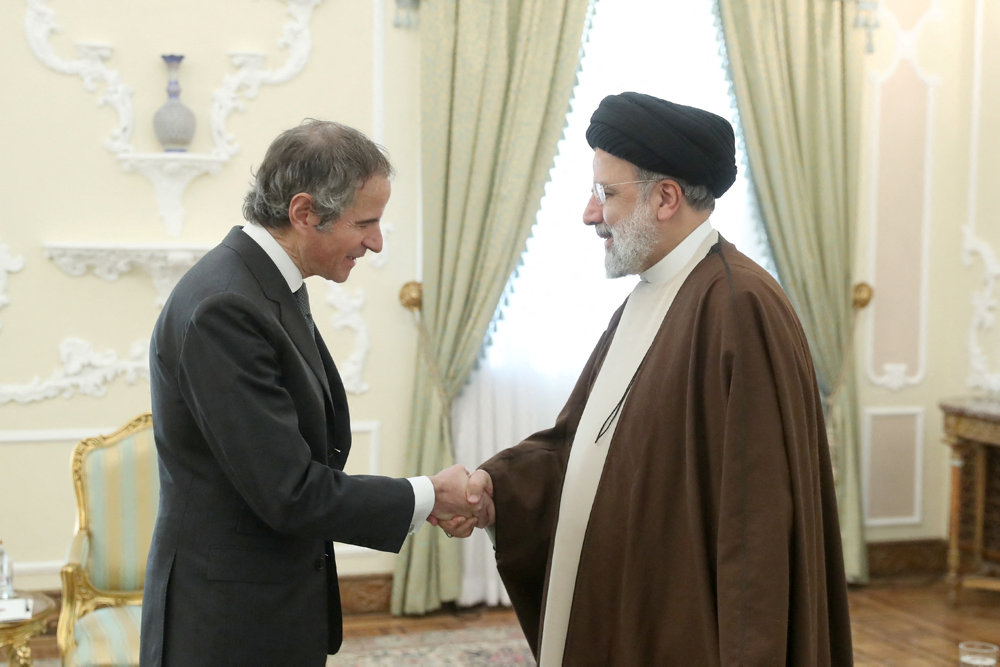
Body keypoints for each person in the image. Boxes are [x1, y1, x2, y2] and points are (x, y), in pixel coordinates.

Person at [442, 92, 853, 665]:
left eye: (606, 193)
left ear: (665, 197)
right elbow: (580, 445)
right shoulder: (652, 295)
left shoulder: (738, 307)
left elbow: (755, 523)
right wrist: (497, 491)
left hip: (687, 629)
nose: (590, 213)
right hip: (634, 605)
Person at [140, 119, 477, 666]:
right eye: (364, 222)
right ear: (303, 214)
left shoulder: (262, 283)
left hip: (265, 607)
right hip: (228, 627)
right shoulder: (225, 307)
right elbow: (289, 492)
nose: (376, 241)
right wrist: (430, 495)